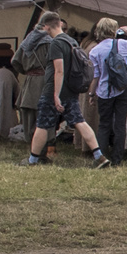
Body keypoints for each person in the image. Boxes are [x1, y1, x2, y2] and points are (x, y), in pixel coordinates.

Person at [21, 12, 110, 168]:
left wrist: (55, 95)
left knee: (42, 124)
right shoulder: (72, 41)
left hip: (54, 91)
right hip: (71, 91)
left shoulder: (56, 43)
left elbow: (59, 70)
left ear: (47, 27)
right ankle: (99, 156)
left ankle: (32, 160)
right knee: (80, 122)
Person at [88, 18, 127, 167]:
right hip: (123, 89)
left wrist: (91, 94)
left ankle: (102, 157)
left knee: (104, 125)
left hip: (104, 91)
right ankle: (117, 158)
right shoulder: (121, 44)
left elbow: (96, 76)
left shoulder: (95, 51)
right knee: (120, 124)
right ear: (114, 31)